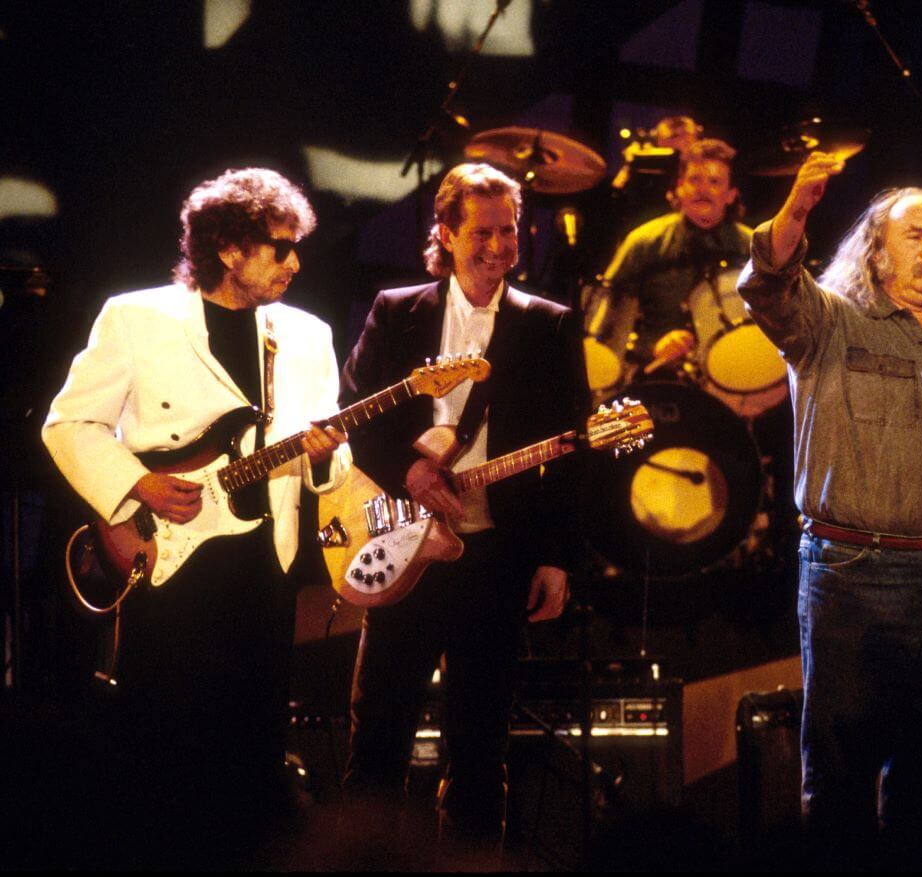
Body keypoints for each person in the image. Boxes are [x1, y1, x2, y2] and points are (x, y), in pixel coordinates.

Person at [41, 167, 348, 865]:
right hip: (173, 568)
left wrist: (328, 454)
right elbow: (69, 425)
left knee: (253, 757)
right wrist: (138, 484)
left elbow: (330, 453)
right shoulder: (136, 317)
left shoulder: (307, 335)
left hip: (266, 570)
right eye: (279, 246)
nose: (295, 262)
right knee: (168, 755)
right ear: (229, 248)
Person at [736, 152, 922, 865]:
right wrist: (793, 213)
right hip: (854, 570)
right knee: (842, 776)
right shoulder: (832, 325)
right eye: (916, 235)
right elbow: (767, 286)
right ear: (878, 255)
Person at [340, 163, 586, 847]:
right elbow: (354, 420)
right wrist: (410, 471)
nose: (500, 246)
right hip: (403, 549)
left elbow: (570, 454)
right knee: (379, 737)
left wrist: (555, 559)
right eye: (483, 231)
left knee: (480, 749)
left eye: (510, 231)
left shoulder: (551, 325)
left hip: (496, 558)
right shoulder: (397, 311)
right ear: (445, 233)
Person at [602, 137, 752, 374]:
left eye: (714, 181)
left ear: (731, 194)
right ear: (680, 187)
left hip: (737, 374)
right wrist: (651, 346)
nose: (703, 189)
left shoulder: (752, 247)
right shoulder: (643, 242)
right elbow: (607, 320)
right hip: (656, 375)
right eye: (694, 180)